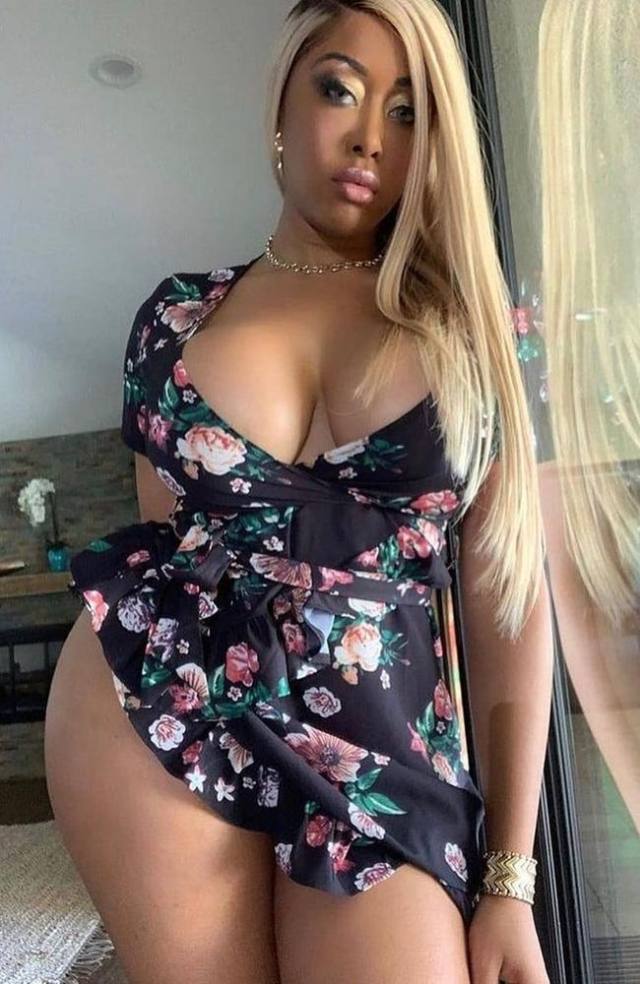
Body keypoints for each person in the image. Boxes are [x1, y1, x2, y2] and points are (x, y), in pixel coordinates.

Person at [44, 2, 553, 982]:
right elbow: (165, 553)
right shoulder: (176, 319)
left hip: (383, 749)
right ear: (281, 103)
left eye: (406, 112)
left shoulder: (480, 332)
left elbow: (508, 601)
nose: (369, 138)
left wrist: (510, 879)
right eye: (339, 89)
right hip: (162, 717)